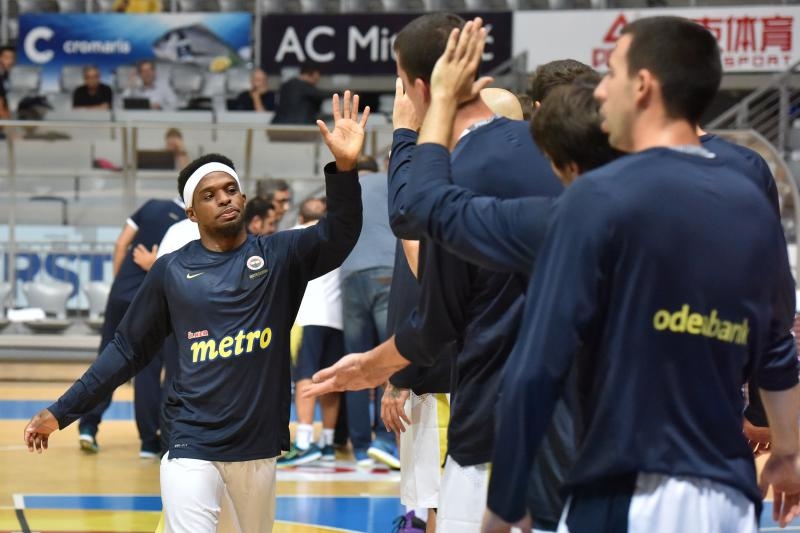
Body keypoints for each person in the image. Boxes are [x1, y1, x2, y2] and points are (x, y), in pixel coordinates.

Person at [24, 90, 368, 533]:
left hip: (258, 448)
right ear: (191, 211)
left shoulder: (281, 255)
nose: (224, 199)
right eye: (210, 195)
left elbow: (341, 233)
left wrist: (344, 169)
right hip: (190, 441)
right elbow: (125, 351)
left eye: (230, 190)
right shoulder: (170, 271)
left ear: (243, 198)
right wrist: (62, 410)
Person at [311, 13, 563, 532]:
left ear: (421, 88)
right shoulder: (555, 155)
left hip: (494, 419)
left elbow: (415, 228)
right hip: (574, 421)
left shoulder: (456, 179)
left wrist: (376, 367)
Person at [76, 196, 186, 458]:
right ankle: (149, 442)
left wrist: (120, 283)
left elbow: (121, 243)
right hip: (154, 302)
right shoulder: (188, 224)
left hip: (122, 296)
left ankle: (88, 425)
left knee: (106, 361)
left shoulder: (150, 206)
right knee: (149, 369)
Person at [278, 197, 345, 466]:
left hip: (306, 317)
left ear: (300, 216)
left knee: (305, 376)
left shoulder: (293, 235)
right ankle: (327, 443)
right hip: (337, 318)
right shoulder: (338, 236)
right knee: (332, 380)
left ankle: (304, 442)